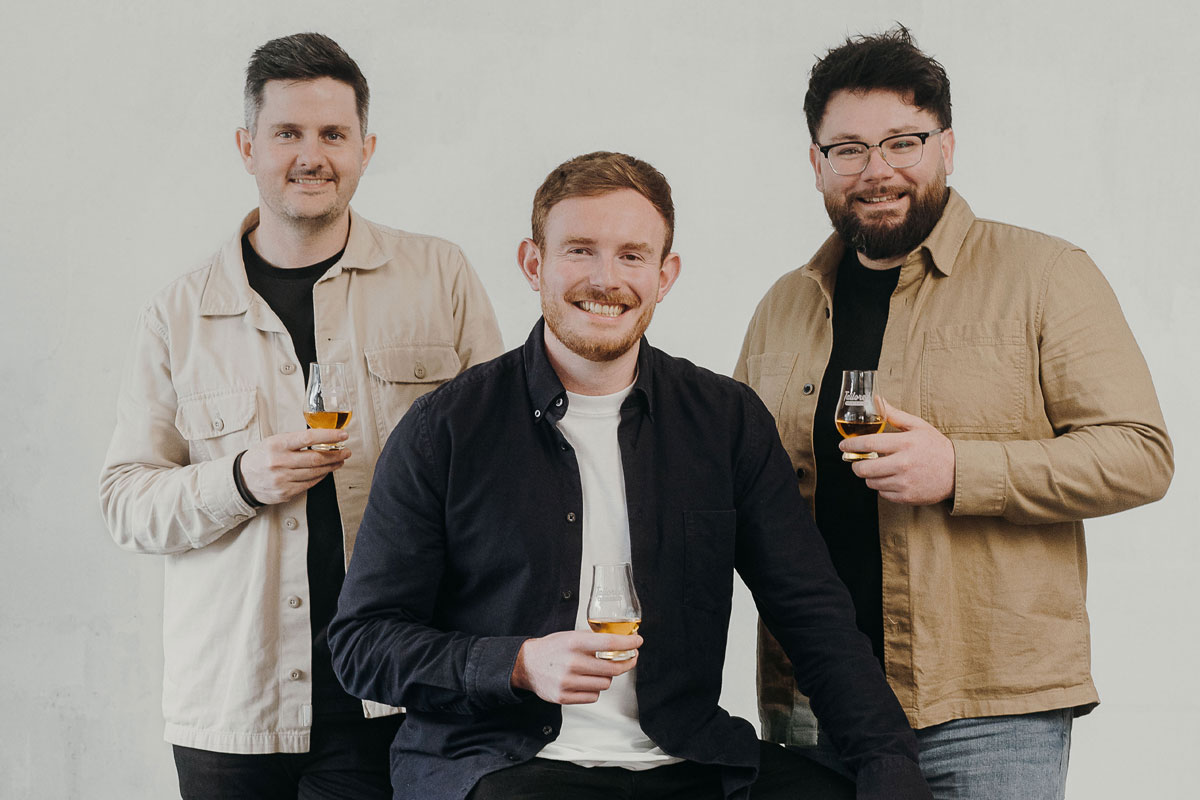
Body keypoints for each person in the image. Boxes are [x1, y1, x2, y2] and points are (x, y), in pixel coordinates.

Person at [329, 151, 933, 800]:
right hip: (500, 764)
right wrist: (518, 664)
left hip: (688, 756)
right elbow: (363, 645)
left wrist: (888, 767)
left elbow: (812, 613)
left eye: (632, 256)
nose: (606, 278)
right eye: (580, 251)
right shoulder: (443, 429)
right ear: (534, 264)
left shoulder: (725, 421)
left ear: (665, 275)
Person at [735, 26, 1173, 799]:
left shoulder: (1045, 276)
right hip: (812, 706)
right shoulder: (784, 305)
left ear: (946, 146)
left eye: (903, 142)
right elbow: (739, 487)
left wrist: (960, 470)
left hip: (984, 711)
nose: (877, 171)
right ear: (816, 164)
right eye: (848, 149)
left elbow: (1140, 454)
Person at [99, 32, 502, 799]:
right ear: (248, 146)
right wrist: (242, 478)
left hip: (397, 693)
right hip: (234, 707)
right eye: (287, 133)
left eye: (332, 134)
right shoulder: (177, 314)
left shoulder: (439, 277)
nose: (310, 155)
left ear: (366, 147)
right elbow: (126, 502)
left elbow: (508, 470)